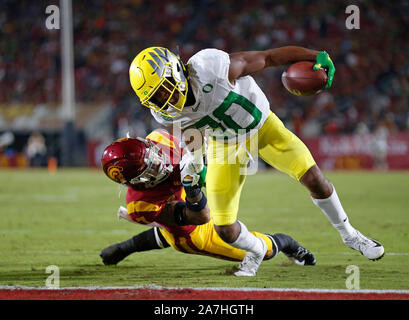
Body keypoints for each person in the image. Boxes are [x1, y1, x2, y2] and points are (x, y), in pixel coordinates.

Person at [128, 46, 384, 276]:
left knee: (314, 179)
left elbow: (268, 57)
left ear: (175, 71)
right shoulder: (166, 114)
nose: (164, 100)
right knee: (224, 228)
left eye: (163, 90)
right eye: (156, 98)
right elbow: (192, 134)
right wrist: (193, 161)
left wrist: (313, 55)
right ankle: (258, 249)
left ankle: (350, 235)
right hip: (224, 147)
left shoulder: (210, 68)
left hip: (262, 128)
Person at [99, 129, 316, 269]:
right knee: (258, 252)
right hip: (195, 230)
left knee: (169, 220)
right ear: (138, 180)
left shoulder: (158, 138)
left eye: (152, 152)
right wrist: (191, 186)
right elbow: (200, 216)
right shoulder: (140, 205)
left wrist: (205, 159)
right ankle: (288, 243)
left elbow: (197, 141)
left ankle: (123, 248)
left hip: (181, 196)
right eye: (151, 164)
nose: (159, 158)